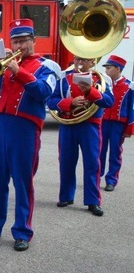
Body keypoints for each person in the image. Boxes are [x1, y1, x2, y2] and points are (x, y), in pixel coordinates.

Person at [0, 19, 61, 251]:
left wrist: (18, 71)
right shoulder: (4, 61)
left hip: (25, 128)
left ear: (33, 41)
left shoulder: (46, 66)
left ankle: (22, 231)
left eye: (24, 40)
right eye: (16, 40)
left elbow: (44, 92)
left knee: (22, 182)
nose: (20, 45)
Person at [47, 54, 113, 216]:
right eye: (77, 59)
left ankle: (93, 201)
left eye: (84, 59)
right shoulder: (64, 77)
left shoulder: (101, 78)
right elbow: (51, 101)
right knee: (66, 162)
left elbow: (109, 101)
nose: (79, 62)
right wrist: (70, 103)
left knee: (92, 163)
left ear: (93, 61)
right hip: (68, 124)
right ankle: (66, 196)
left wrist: (91, 92)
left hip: (90, 125)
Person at [100, 54, 134, 192]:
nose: (106, 71)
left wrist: (129, 128)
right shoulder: (103, 84)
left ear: (118, 69)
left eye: (109, 68)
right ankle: (97, 176)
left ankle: (111, 180)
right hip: (102, 122)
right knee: (99, 151)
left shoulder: (129, 86)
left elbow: (131, 108)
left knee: (115, 152)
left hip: (118, 124)